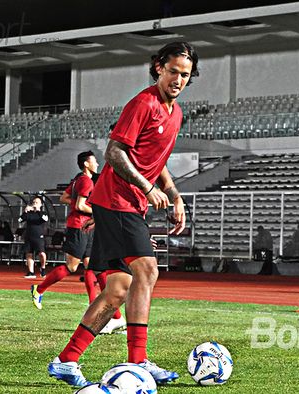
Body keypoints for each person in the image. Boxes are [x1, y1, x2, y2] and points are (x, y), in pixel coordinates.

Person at [47, 41, 198, 388]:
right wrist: (147, 188)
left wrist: (175, 197)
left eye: (185, 74)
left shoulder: (175, 114)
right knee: (147, 270)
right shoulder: (143, 104)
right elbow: (114, 152)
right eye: (173, 71)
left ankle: (66, 361)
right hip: (118, 199)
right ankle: (139, 362)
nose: (178, 79)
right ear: (159, 67)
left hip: (125, 204)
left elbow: (156, 163)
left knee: (117, 289)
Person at [31, 152, 125, 333]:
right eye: (93, 161)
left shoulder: (78, 180)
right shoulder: (85, 181)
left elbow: (65, 198)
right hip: (79, 227)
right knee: (72, 267)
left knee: (94, 266)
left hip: (86, 228)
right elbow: (80, 206)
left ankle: (111, 314)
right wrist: (99, 212)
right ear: (85, 164)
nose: (97, 163)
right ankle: (39, 289)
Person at [20, 196, 49, 279]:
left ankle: (43, 268)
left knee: (42, 254)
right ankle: (31, 272)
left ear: (40, 204)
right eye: (34, 202)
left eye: (37, 202)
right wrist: (25, 211)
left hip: (39, 237)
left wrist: (38, 210)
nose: (35, 204)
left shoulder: (43, 213)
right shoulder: (29, 214)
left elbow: (45, 219)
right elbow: (20, 220)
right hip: (29, 236)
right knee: (29, 254)